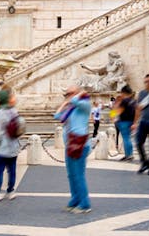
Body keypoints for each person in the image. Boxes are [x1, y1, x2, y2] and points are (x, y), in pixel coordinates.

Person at [55, 84, 92, 213]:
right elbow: (57, 116)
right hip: (70, 144)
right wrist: (64, 104)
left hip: (80, 144)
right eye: (66, 94)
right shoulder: (71, 109)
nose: (67, 96)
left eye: (69, 93)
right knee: (71, 175)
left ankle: (85, 203)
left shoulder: (85, 105)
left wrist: (77, 95)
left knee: (78, 175)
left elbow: (76, 101)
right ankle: (75, 199)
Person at [114, 86, 136, 161]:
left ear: (123, 92)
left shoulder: (124, 101)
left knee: (126, 138)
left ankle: (128, 155)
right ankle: (129, 154)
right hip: (131, 121)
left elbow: (118, 111)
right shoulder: (134, 101)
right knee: (128, 138)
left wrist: (111, 114)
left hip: (124, 121)